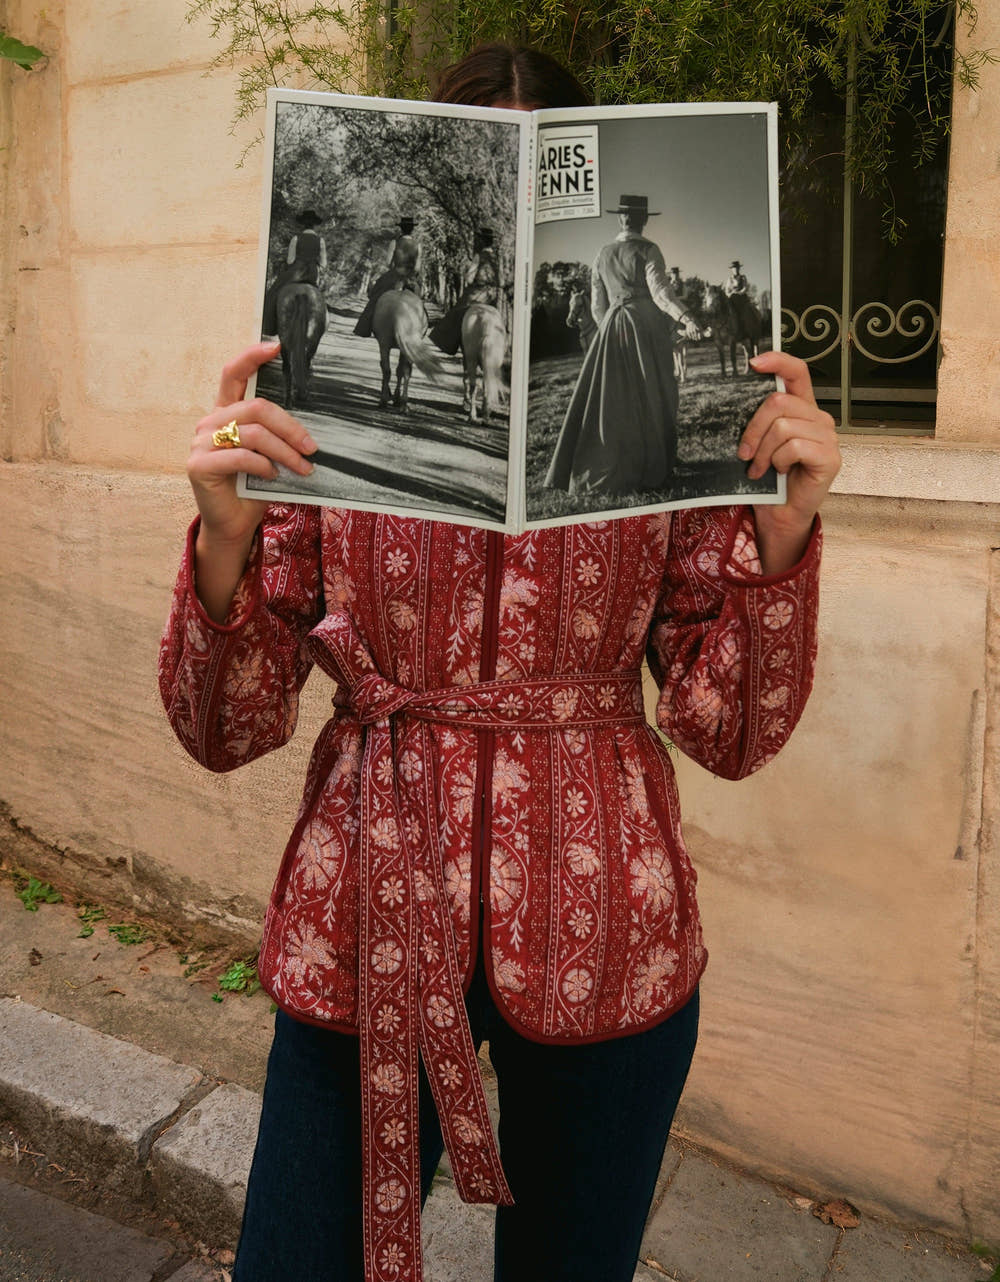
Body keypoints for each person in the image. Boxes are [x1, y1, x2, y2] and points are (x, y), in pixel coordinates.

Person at [159, 42, 841, 1282]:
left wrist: (781, 535)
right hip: (363, 901)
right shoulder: (324, 429)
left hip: (607, 924)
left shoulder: (664, 460)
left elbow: (727, 730)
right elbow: (225, 727)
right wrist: (223, 535)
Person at [545, 194, 701, 496]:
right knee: (659, 390)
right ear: (643, 221)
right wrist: (687, 317)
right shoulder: (648, 249)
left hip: (613, 325)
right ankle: (658, 460)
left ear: (621, 219)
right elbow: (660, 293)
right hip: (645, 325)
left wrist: (609, 331)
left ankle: (621, 462)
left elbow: (597, 306)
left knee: (615, 399)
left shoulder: (602, 254)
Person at [429, 226, 502, 355]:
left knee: (456, 313)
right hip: (492, 296)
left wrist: (468, 275)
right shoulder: (497, 258)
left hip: (477, 293)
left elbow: (469, 279)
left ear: (481, 241)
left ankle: (450, 344)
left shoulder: (478, 256)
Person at [353, 215, 422, 338]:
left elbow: (388, 262)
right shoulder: (418, 245)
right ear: (412, 229)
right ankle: (420, 330)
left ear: (401, 229)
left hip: (394, 275)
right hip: (410, 277)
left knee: (375, 299)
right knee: (419, 304)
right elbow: (417, 268)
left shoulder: (394, 242)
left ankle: (364, 327)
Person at [261, 209, 327, 337]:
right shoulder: (321, 241)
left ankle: (267, 327)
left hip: (296, 271)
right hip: (312, 273)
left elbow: (290, 261)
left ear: (303, 224)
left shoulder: (296, 238)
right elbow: (323, 263)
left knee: (273, 293)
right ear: (315, 225)